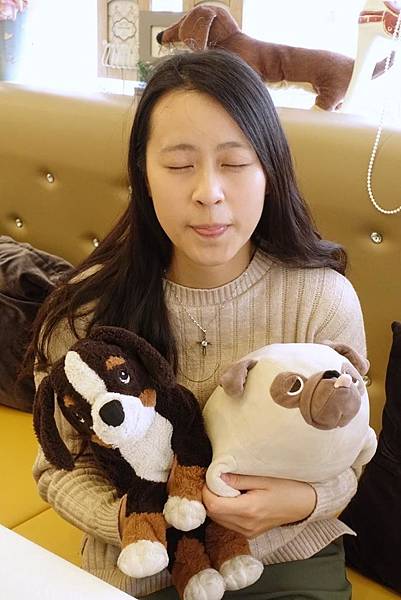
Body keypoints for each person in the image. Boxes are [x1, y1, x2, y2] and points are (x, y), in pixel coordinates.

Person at [31, 49, 366, 599]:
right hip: (140, 565)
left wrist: (302, 502)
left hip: (284, 556)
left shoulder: (319, 298)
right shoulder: (88, 306)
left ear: (269, 171)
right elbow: (57, 464)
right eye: (179, 165)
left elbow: (349, 454)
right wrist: (136, 526)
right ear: (143, 174)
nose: (209, 191)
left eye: (235, 163)